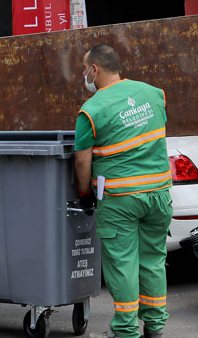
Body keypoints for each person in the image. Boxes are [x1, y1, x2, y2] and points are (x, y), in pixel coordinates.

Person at [74, 44, 172, 338]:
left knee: (123, 263)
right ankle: (155, 326)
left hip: (121, 199)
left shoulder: (91, 110)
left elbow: (82, 159)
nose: (83, 74)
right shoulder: (154, 93)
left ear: (95, 70)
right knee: (154, 259)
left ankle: (126, 329)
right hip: (158, 193)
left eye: (83, 69)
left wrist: (85, 194)